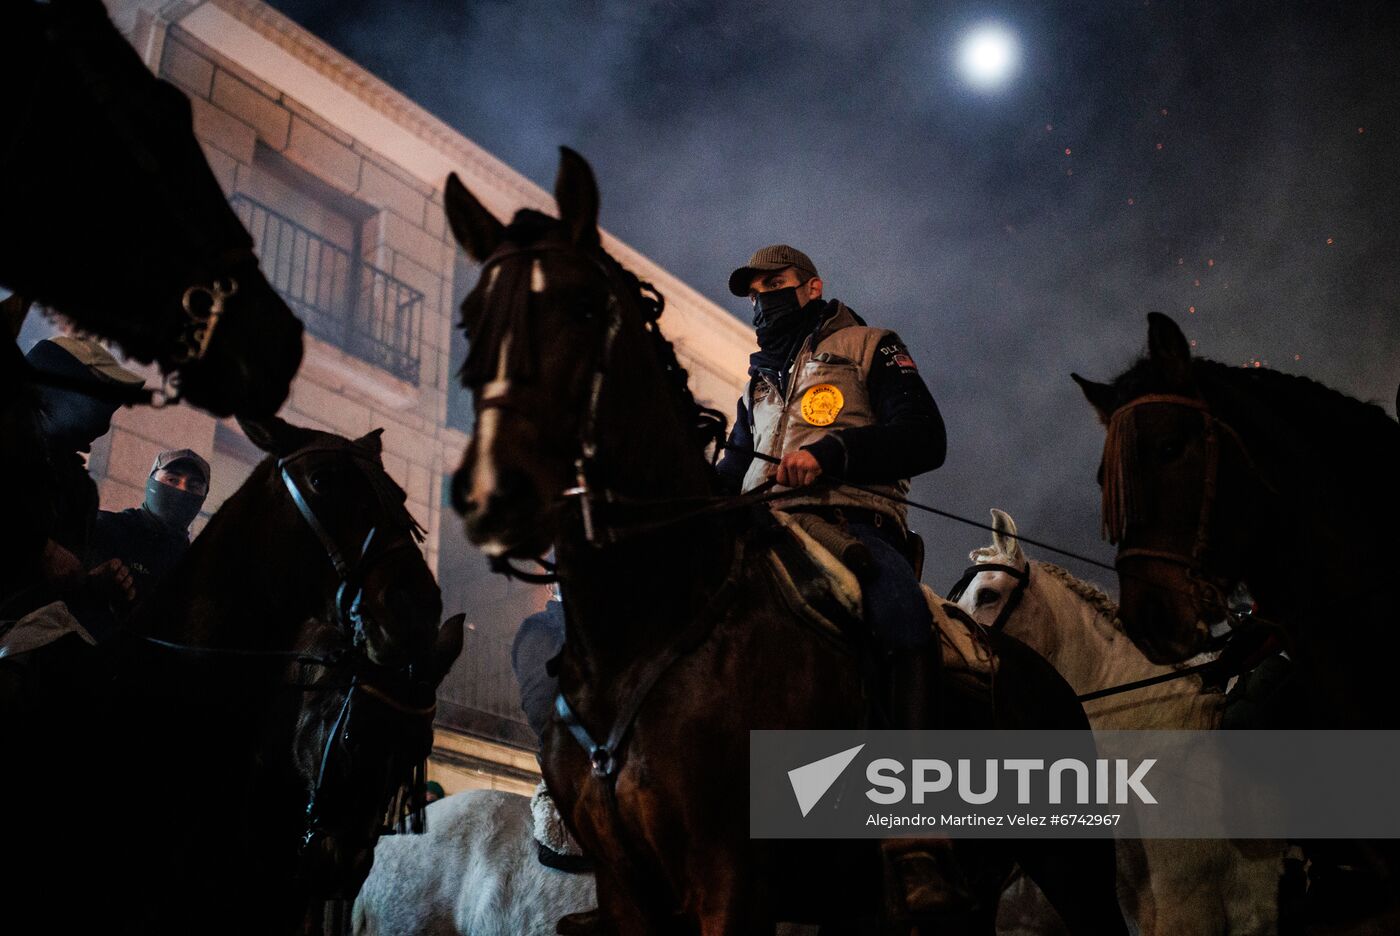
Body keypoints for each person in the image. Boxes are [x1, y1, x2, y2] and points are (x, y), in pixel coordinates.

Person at [713, 245, 961, 917]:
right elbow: (729, 470)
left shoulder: (871, 345)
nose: (762, 298)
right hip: (761, 527)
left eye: (776, 285)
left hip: (853, 526)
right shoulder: (755, 382)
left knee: (901, 613)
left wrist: (831, 453)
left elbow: (925, 436)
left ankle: (915, 833)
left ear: (813, 286)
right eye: (753, 290)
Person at [21, 336, 143, 614]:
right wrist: (41, 549)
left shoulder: (77, 488)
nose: (101, 419)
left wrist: (89, 585)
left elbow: (49, 592)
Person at [83, 449, 210, 638]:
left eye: (193, 486)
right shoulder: (104, 528)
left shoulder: (194, 569)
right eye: (172, 480)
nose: (182, 490)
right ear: (151, 482)